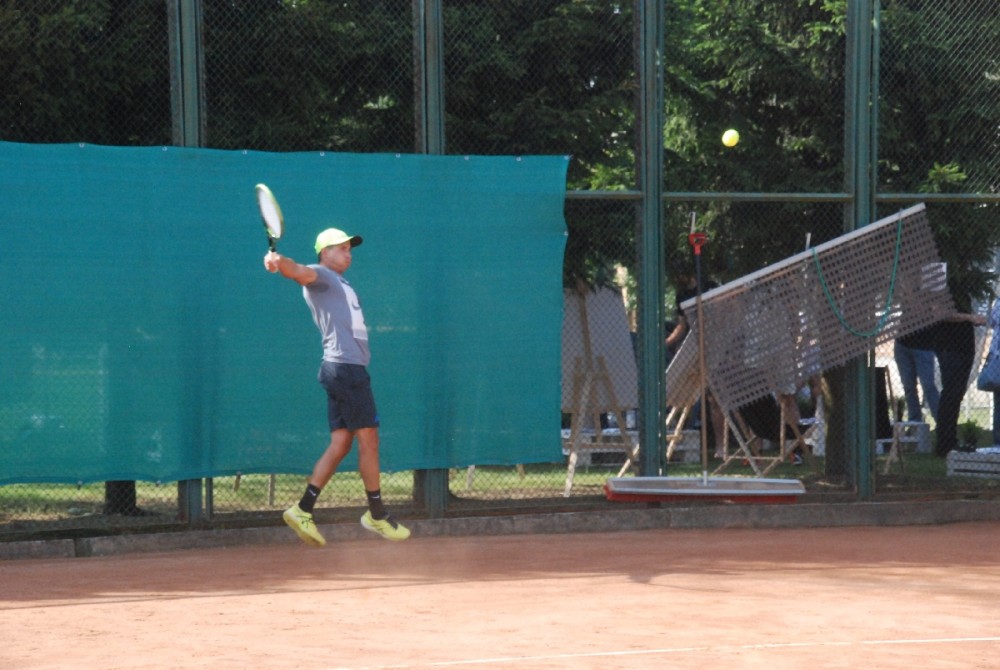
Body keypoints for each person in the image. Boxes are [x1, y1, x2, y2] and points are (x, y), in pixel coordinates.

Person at [264, 227, 410, 546]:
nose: (348, 253)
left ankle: (302, 510)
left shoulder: (339, 282)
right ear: (324, 252)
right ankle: (377, 514)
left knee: (341, 443)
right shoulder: (322, 275)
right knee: (369, 440)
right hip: (346, 370)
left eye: (349, 249)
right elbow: (297, 271)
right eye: (341, 248)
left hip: (341, 369)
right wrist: (279, 261)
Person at [929, 311, 987, 457]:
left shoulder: (967, 298)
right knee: (950, 394)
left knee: (956, 396)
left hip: (965, 346)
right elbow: (942, 313)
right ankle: (944, 444)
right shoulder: (945, 295)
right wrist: (970, 317)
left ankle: (951, 440)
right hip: (949, 347)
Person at [893, 327, 940, 423]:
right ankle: (914, 421)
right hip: (902, 343)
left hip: (924, 346)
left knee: (928, 386)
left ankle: (941, 421)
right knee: (908, 386)